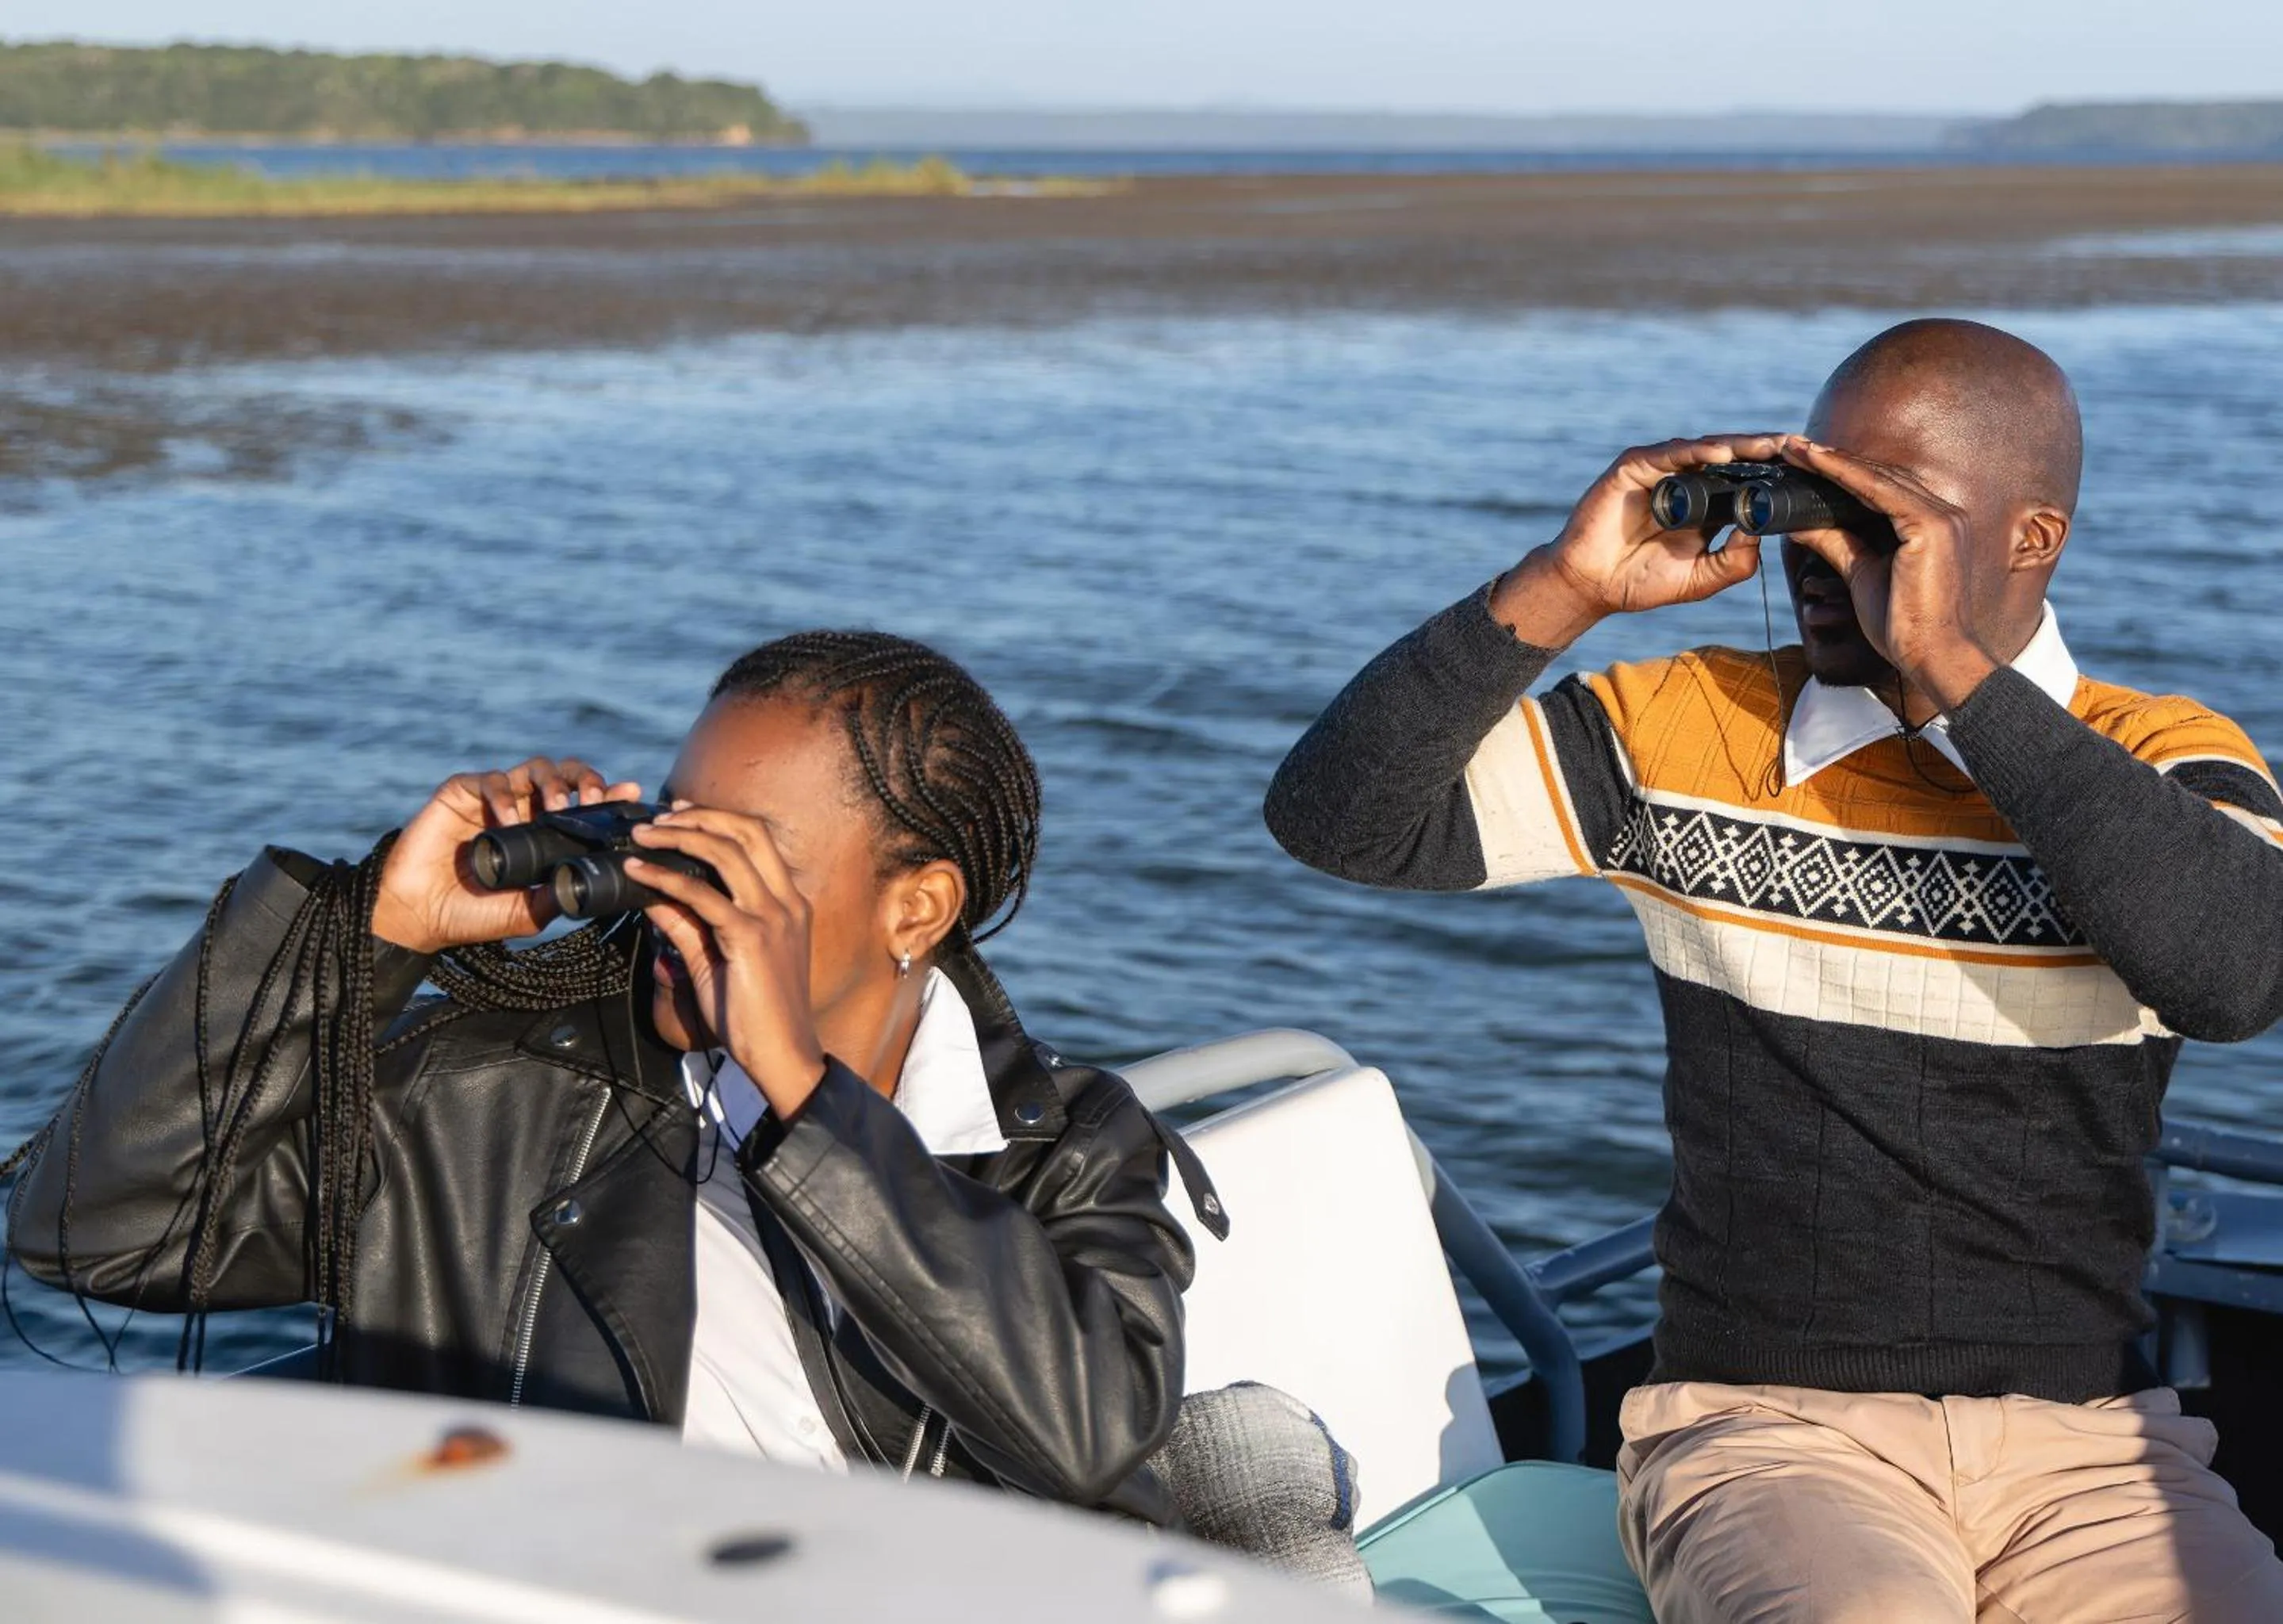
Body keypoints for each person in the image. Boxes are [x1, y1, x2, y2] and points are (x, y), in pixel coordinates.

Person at [1264, 318, 2283, 1620]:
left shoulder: (2152, 758)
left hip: (2087, 1449)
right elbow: (1340, 821)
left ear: (2032, 539)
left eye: (1880, 520)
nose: (1819, 552)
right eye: (1810, 498)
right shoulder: (1689, 728)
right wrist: (1563, 585)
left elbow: (2236, 974)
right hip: (1763, 1428)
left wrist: (1954, 681)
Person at [7, 630, 1224, 1523]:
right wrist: (368, 931)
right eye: (675, 836)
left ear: (916, 907)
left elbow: (1086, 1431)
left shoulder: (1059, 1142)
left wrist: (796, 1092)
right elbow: (100, 1231)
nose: (674, 891)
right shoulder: (492, 1090)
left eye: (738, 859)